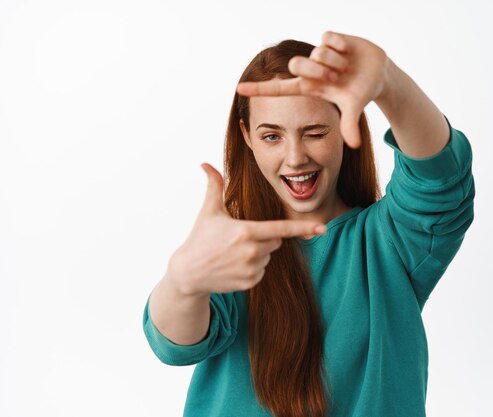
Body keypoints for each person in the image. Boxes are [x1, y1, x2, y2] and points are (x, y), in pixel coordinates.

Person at [142, 30, 475, 417]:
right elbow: (175, 344)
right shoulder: (236, 249)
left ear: (346, 126)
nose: (295, 157)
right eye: (272, 137)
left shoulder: (390, 243)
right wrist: (183, 280)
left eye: (314, 132)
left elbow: (439, 179)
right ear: (247, 136)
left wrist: (390, 83)